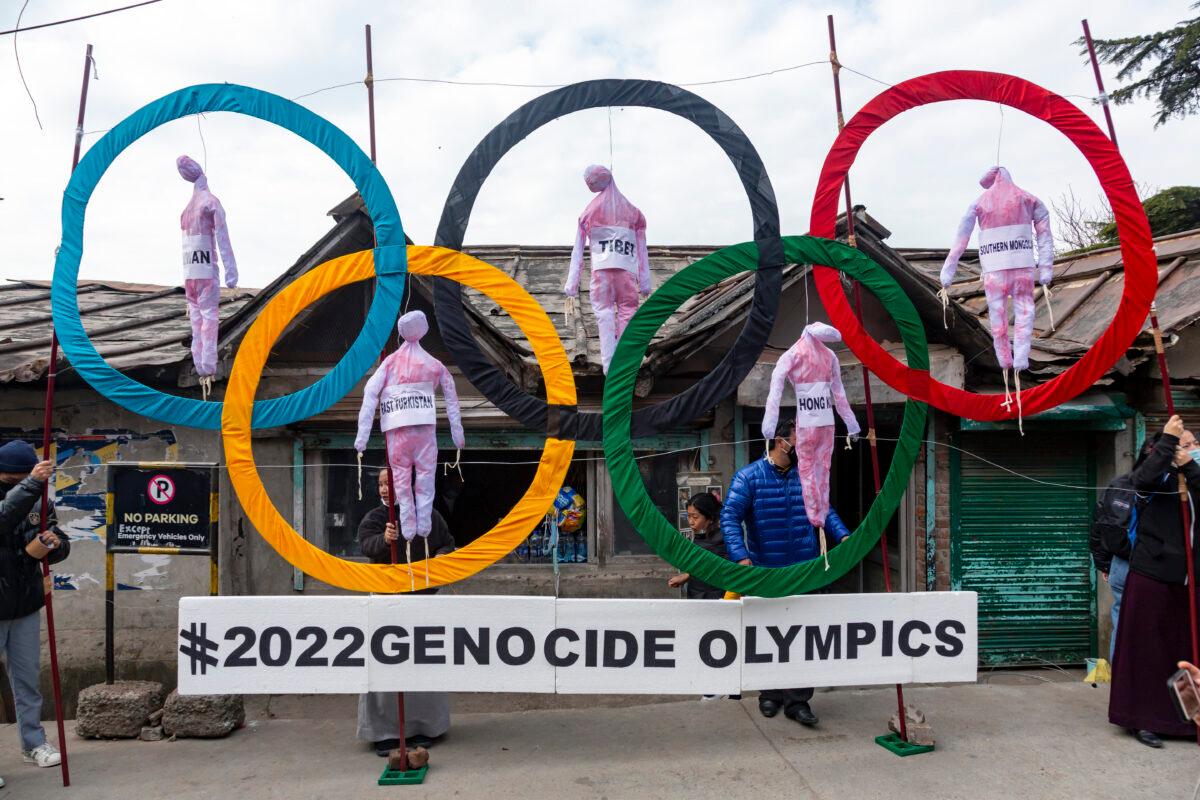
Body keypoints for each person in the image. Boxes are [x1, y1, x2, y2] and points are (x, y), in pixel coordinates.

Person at [721, 419, 852, 726]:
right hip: (766, 573)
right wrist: (741, 557)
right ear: (781, 443)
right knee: (768, 636)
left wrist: (844, 536)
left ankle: (798, 702)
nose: (806, 447)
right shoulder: (748, 477)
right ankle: (769, 694)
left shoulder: (808, 475)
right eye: (800, 441)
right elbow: (729, 517)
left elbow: (825, 510)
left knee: (804, 638)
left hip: (805, 571)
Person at [1109, 415, 1200, 748]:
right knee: (1148, 652)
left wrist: (1190, 466)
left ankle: (1189, 719)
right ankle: (1144, 719)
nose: (1190, 448)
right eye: (1183, 444)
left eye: (1193, 443)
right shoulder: (1156, 476)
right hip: (1153, 575)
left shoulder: (1195, 474)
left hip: (1191, 581)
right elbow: (1141, 480)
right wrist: (1167, 442)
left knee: (1186, 653)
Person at [357, 468, 456, 757]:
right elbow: (366, 545)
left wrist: (441, 556)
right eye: (381, 484)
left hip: (423, 601)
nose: (384, 489)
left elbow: (447, 542)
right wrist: (384, 541)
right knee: (385, 668)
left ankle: (426, 727)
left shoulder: (428, 516)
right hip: (386, 602)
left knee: (423, 665)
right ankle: (385, 733)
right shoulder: (375, 518)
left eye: (390, 483)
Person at [0, 441, 70, 780]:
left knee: (27, 680)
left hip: (25, 602)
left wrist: (55, 545)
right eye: (14, 478)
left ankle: (34, 743)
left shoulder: (40, 499)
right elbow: (2, 519)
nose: (20, 481)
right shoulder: (28, 490)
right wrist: (30, 484)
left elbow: (58, 537)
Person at [667, 492, 728, 600]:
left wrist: (686, 576)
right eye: (688, 516)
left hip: (713, 598)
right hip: (697, 593)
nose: (690, 522)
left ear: (710, 517)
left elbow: (712, 567)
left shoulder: (721, 540)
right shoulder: (700, 535)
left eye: (695, 517)